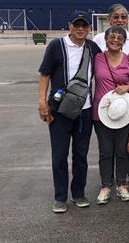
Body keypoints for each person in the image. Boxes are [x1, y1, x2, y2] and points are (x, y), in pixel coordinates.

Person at [37, 11, 100, 213]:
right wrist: (42, 103)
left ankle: (79, 194)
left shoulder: (92, 47)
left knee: (81, 155)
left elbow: (111, 60)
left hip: (85, 111)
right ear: (69, 26)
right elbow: (44, 76)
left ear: (89, 28)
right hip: (59, 111)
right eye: (77, 25)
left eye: (84, 26)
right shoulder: (57, 46)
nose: (80, 29)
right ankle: (60, 197)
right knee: (59, 155)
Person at [93, 3, 129, 187]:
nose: (120, 20)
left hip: (126, 102)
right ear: (108, 19)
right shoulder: (98, 41)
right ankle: (107, 183)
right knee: (107, 149)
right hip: (104, 103)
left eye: (123, 16)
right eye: (116, 16)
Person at [93, 26, 129, 205]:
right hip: (102, 112)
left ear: (124, 41)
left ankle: (121, 184)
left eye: (120, 37)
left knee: (121, 151)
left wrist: (127, 87)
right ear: (105, 39)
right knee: (105, 151)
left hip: (124, 112)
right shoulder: (97, 58)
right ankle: (105, 186)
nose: (115, 40)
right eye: (112, 36)